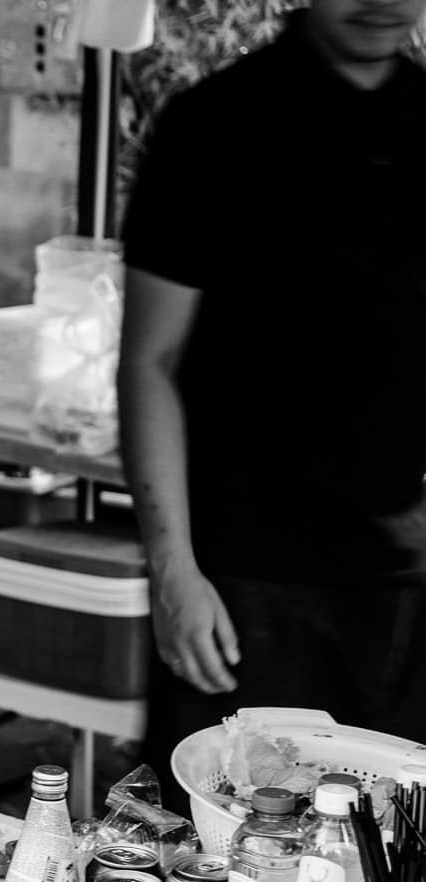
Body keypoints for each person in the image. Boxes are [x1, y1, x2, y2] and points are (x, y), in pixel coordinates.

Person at [118, 0, 426, 806]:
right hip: (240, 580)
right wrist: (173, 569)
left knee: (388, 864)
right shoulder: (214, 125)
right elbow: (148, 361)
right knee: (218, 849)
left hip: (401, 582)